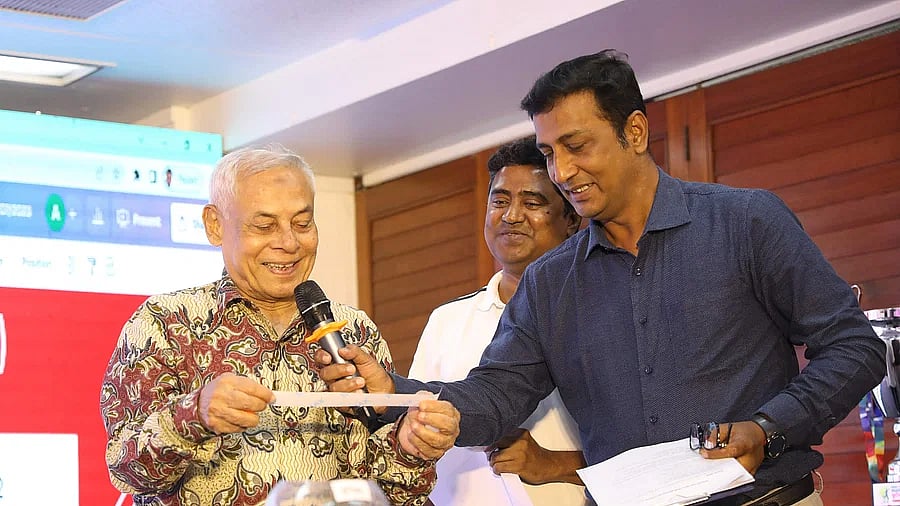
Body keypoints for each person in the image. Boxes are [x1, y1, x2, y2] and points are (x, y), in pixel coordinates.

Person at [316, 50, 886, 506]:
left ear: (635, 132)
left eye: (577, 146)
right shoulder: (548, 284)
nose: (561, 172)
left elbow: (855, 348)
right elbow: (495, 395)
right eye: (549, 152)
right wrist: (394, 393)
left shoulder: (745, 222)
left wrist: (767, 428)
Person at [99, 145, 459, 506]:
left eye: (302, 224)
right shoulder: (166, 322)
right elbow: (127, 469)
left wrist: (411, 447)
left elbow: (386, 491)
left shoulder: (355, 331)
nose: (288, 243)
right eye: (264, 225)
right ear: (214, 225)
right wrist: (194, 414)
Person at [408, 136, 587, 505]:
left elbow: (642, 448)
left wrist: (552, 463)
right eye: (500, 201)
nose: (511, 216)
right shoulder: (446, 320)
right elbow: (413, 439)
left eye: (532, 202)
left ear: (571, 218)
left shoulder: (596, 313)